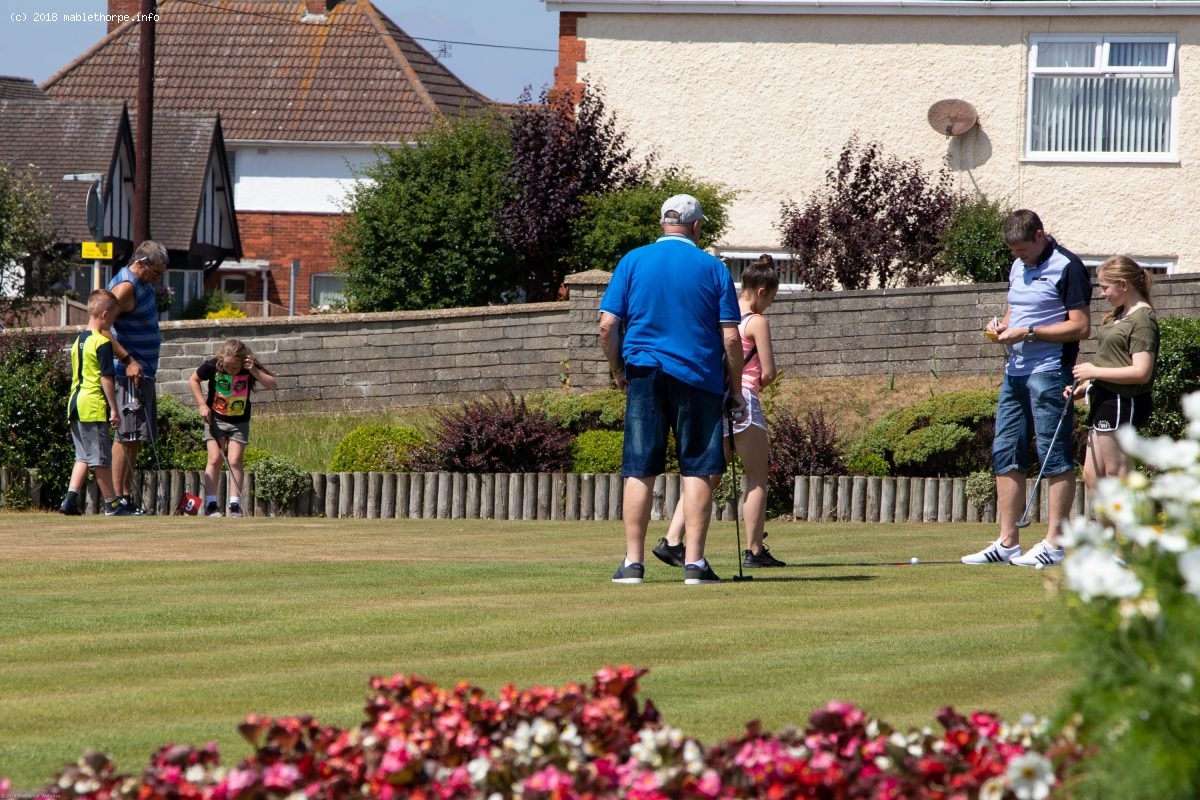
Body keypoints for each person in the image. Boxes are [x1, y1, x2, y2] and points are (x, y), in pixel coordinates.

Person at [599, 193, 745, 585]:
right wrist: (734, 388)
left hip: (644, 372)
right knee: (698, 468)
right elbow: (730, 336)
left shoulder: (631, 261)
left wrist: (617, 371)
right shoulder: (713, 268)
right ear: (696, 227)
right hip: (698, 377)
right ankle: (694, 563)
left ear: (663, 223)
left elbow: (607, 325)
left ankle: (632, 563)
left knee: (639, 468)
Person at [963, 209, 1092, 568]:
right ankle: (1007, 542)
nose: (1018, 258)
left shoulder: (1069, 266)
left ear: (1040, 235)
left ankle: (1054, 543)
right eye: (1013, 252)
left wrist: (1030, 331)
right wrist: (1000, 326)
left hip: (1050, 371)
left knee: (1054, 453)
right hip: (1015, 371)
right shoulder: (1018, 266)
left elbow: (1081, 327)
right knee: (1005, 450)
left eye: (1022, 249)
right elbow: (1013, 313)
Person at [655, 255, 785, 570]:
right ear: (762, 291)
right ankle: (754, 551)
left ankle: (672, 540)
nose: (768, 305)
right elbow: (768, 372)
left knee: (707, 477)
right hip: (744, 402)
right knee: (756, 477)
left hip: (715, 401)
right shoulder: (756, 321)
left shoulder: (721, 316)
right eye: (771, 299)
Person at [1068, 256, 1158, 493]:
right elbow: (1114, 360)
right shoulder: (1119, 315)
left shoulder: (1142, 319)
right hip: (1103, 398)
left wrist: (1094, 371)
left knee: (1116, 475)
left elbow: (1141, 372)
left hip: (1121, 402)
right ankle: (1107, 530)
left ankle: (1125, 529)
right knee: (1092, 476)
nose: (1102, 293)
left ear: (1123, 284)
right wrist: (1087, 384)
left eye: (1105, 287)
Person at [107, 240, 168, 514]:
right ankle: (115, 500)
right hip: (127, 374)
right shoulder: (126, 287)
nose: (158, 279)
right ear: (141, 263)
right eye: (155, 273)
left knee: (137, 436)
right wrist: (128, 360)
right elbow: (100, 326)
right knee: (125, 435)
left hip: (144, 373)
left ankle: (127, 498)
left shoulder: (143, 284)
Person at [59, 290, 131, 517]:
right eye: (113, 317)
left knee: (82, 456)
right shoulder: (102, 342)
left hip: (74, 404)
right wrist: (114, 409)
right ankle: (112, 504)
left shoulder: (78, 340)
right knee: (100, 458)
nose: (114, 322)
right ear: (105, 313)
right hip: (92, 405)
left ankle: (69, 501)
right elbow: (106, 378)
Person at [189, 338, 278, 517]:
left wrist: (252, 369)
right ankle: (211, 504)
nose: (231, 371)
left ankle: (235, 505)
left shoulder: (248, 366)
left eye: (235, 368)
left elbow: (272, 384)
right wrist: (202, 405)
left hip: (239, 421)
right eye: (228, 368)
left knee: (235, 460)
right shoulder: (214, 365)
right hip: (215, 418)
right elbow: (194, 380)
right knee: (215, 459)